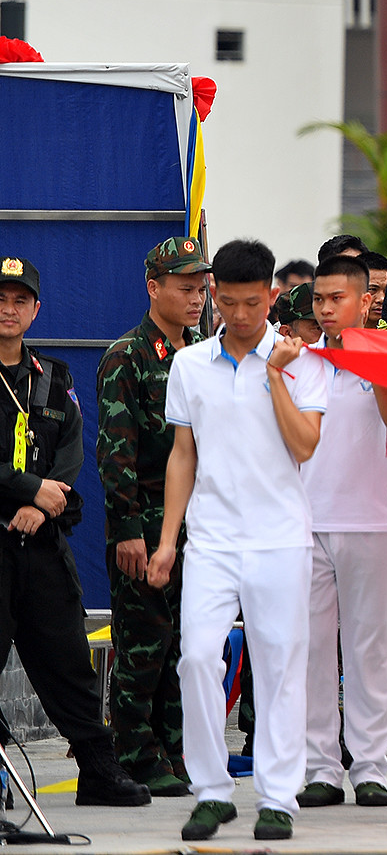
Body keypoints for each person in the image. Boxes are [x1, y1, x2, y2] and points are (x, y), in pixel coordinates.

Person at [152, 240, 327, 842]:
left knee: (280, 665)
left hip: (280, 540)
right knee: (198, 656)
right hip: (212, 539)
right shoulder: (189, 364)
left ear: (272, 296)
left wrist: (275, 373)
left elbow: (305, 445)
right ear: (213, 298)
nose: (240, 315)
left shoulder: (303, 361)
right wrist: (167, 541)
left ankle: (278, 797)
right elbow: (182, 455)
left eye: (252, 303)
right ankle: (211, 791)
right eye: (227, 303)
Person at [0, 256, 151, 807]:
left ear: (36, 310)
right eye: (1, 298)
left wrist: (44, 503)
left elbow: (68, 454)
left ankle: (99, 771)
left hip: (39, 540)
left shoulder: (53, 377)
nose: (8, 309)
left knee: (68, 661)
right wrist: (26, 490)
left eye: (20, 300)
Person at [295, 255, 387, 808]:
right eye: (318, 300)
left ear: (366, 300)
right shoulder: (299, 361)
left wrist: (376, 372)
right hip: (306, 524)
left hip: (371, 522)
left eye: (336, 299)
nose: (325, 309)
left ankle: (370, 765)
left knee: (371, 647)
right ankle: (321, 767)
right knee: (314, 649)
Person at [96, 236, 211, 797]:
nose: (197, 298)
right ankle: (136, 753)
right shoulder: (128, 357)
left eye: (200, 287)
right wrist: (127, 531)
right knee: (145, 639)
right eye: (185, 287)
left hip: (195, 526)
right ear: (153, 288)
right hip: (145, 522)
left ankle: (171, 749)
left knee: (183, 643)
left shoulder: (199, 355)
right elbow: (116, 454)